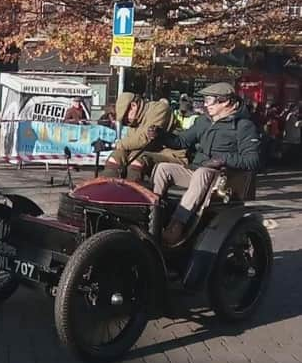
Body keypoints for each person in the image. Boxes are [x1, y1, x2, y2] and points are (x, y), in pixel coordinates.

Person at [149, 82, 260, 246]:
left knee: (202, 173)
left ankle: (177, 225)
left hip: (222, 178)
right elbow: (181, 141)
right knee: (163, 169)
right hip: (196, 172)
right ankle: (153, 216)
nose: (205, 104)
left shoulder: (244, 126)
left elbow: (253, 160)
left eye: (209, 100)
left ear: (225, 102)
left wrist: (222, 160)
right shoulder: (204, 121)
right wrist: (160, 134)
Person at [100, 92, 175, 182]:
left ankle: (131, 192)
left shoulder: (160, 109)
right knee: (116, 156)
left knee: (136, 160)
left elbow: (145, 139)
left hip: (167, 152)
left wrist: (114, 145)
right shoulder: (135, 121)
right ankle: (104, 188)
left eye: (125, 117)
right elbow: (129, 144)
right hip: (145, 151)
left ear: (133, 105)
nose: (126, 121)